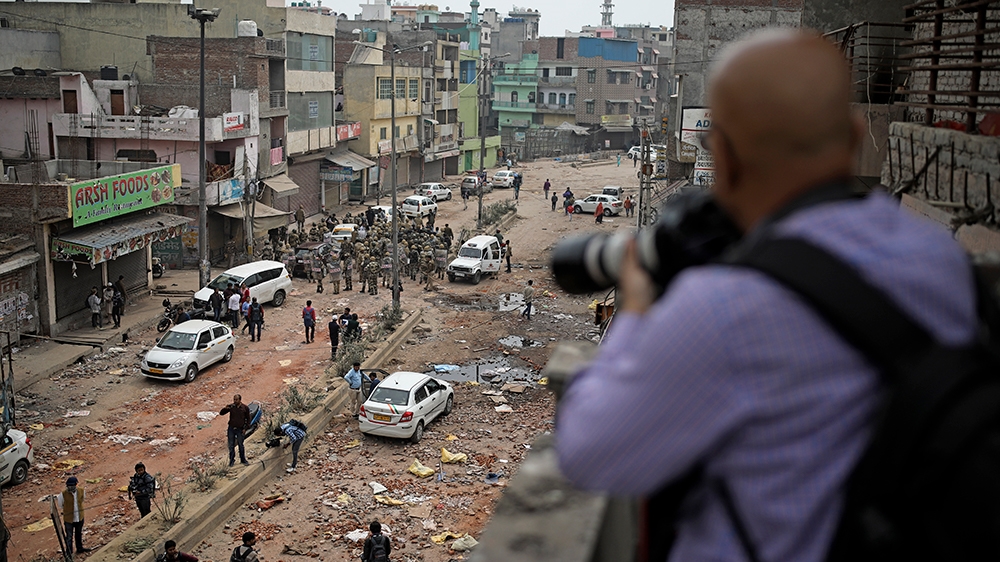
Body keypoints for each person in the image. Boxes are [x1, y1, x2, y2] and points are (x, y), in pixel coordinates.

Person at [555, 29, 978, 562]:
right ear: (853, 137)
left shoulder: (726, 307)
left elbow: (590, 453)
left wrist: (636, 306)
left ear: (724, 159)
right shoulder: (939, 257)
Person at [56, 476, 90, 555]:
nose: (70, 487)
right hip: (69, 520)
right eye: (69, 486)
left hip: (79, 517)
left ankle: (79, 548)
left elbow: (82, 500)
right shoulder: (63, 494)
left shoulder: (81, 491)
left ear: (76, 485)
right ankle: (69, 553)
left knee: (78, 534)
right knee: (69, 537)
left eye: (72, 486)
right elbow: (61, 505)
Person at [220, 394, 251, 467]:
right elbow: (221, 413)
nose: (235, 401)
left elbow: (248, 419)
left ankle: (243, 459)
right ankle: (231, 460)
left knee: (240, 445)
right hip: (231, 428)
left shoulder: (245, 408)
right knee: (231, 445)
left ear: (240, 400)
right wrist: (225, 408)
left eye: (236, 399)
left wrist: (245, 428)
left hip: (240, 429)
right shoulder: (231, 407)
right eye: (234, 399)